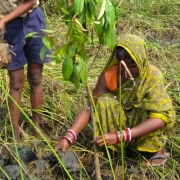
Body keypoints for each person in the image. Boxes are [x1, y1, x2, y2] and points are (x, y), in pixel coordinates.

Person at [55, 34, 175, 166]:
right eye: (123, 66)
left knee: (151, 111)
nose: (126, 72)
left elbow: (160, 119)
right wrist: (68, 137)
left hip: (142, 121)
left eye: (132, 66)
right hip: (123, 123)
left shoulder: (152, 76)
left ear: (141, 61)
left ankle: (157, 150)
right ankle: (116, 150)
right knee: (104, 100)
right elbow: (89, 109)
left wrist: (121, 135)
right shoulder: (110, 75)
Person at [0, 0, 51, 141]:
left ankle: (37, 127)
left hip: (32, 20)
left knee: (36, 78)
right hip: (8, 28)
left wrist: (4, 20)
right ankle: (15, 133)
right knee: (16, 83)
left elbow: (32, 1)